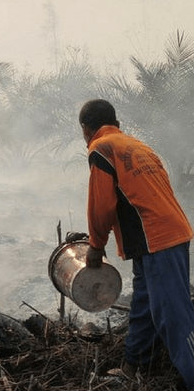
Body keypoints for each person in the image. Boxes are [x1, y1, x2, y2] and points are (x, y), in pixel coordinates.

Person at [78, 99, 194, 389]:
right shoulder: (138, 146)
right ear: (115, 123)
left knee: (173, 315)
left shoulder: (101, 148)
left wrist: (96, 244)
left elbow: (102, 205)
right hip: (165, 237)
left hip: (158, 241)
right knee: (144, 304)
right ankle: (133, 364)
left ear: (86, 129)